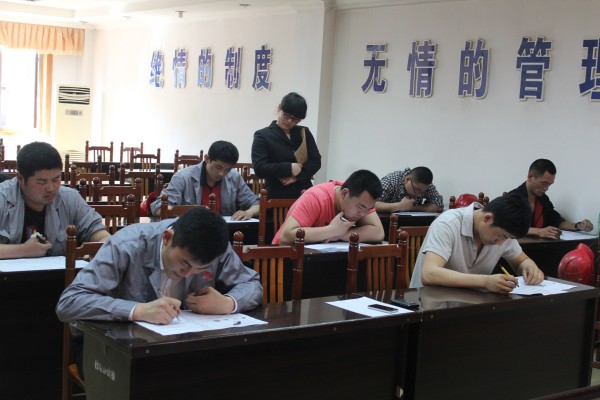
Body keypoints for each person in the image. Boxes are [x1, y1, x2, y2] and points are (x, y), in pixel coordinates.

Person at [56, 207, 262, 379]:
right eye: (184, 263)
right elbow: (69, 302)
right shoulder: (127, 245)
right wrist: (137, 311)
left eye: (200, 269)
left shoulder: (215, 248)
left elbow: (251, 283)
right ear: (167, 238)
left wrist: (228, 303)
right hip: (110, 346)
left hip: (180, 344)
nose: (187, 274)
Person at [410, 194, 544, 293]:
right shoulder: (447, 224)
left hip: (469, 304)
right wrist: (485, 282)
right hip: (429, 306)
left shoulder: (503, 231)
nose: (500, 243)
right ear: (487, 218)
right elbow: (429, 274)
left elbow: (521, 261)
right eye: (501, 236)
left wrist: (529, 267)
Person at [0, 141, 110, 259]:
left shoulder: (70, 199)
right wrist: (24, 250)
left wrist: (99, 250)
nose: (51, 188)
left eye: (56, 179)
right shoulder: (3, 198)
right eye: (42, 182)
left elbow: (102, 236)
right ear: (20, 179)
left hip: (60, 271)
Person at [151, 141, 259, 220]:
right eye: (218, 167)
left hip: (225, 232)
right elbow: (158, 207)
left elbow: (257, 203)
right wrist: (186, 212)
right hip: (190, 233)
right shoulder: (183, 177)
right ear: (207, 159)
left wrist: (249, 212)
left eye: (228, 169)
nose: (222, 174)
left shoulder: (234, 177)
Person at [272, 169, 385, 245]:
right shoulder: (316, 197)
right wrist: (331, 230)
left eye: (368, 209)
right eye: (360, 207)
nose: (363, 214)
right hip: (283, 258)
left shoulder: (362, 198)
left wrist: (342, 234)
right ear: (344, 194)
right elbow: (286, 236)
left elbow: (378, 232)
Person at [251, 92, 322, 199]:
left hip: (304, 192)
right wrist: (289, 168)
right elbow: (260, 168)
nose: (289, 121)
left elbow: (315, 161)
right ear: (279, 108)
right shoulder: (262, 135)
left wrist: (297, 177)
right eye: (287, 115)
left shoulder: (303, 132)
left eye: (295, 119)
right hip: (278, 195)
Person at [508, 159, 593, 239]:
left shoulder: (543, 199)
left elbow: (557, 221)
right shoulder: (511, 199)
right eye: (544, 183)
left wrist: (578, 226)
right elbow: (507, 227)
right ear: (530, 176)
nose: (546, 188)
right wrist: (538, 232)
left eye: (549, 184)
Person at [375, 167, 443, 213]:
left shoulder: (426, 186)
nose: (419, 195)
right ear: (407, 180)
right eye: (417, 190)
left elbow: (438, 205)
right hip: (386, 222)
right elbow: (372, 204)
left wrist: (412, 207)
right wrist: (399, 206)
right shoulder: (391, 181)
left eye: (423, 192)